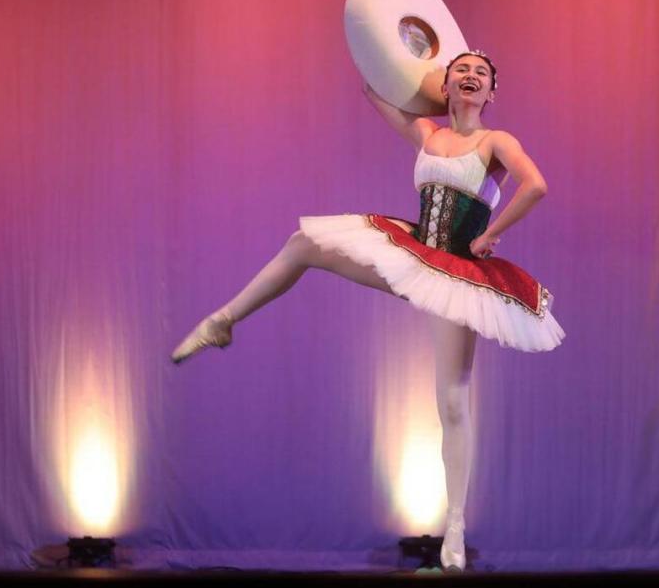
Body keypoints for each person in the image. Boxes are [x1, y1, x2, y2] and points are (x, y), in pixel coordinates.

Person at [170, 51, 564, 571]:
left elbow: (535, 185)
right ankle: (222, 321)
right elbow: (375, 88)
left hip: (457, 276)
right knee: (304, 243)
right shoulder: (427, 134)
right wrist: (399, 42)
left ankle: (456, 527)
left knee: (452, 400)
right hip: (413, 251)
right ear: (445, 85)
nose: (470, 76)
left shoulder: (496, 142)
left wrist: (492, 235)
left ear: (491, 93)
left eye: (481, 74)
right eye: (461, 70)